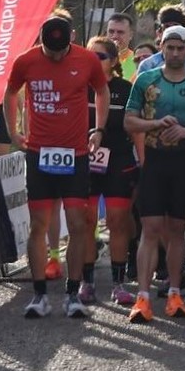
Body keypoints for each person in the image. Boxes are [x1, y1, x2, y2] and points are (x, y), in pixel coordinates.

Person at [5, 15, 109, 319]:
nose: (56, 56)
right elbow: (11, 92)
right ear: (40, 41)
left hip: (75, 154)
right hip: (39, 153)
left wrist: (98, 129)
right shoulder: (25, 61)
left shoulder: (87, 59)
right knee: (39, 224)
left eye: (61, 51)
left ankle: (72, 293)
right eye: (50, 52)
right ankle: (39, 295)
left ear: (71, 38)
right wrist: (13, 131)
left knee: (78, 224)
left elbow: (101, 91)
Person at [124, 25, 185, 323]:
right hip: (154, 161)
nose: (175, 53)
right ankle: (143, 297)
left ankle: (176, 292)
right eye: (170, 48)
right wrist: (155, 125)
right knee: (150, 228)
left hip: (184, 163)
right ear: (162, 48)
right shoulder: (146, 79)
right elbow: (129, 121)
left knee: (177, 229)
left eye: (181, 48)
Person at [78, 37, 139, 307]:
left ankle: (118, 283)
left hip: (118, 161)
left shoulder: (125, 89)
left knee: (117, 222)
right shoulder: (79, 86)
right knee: (87, 222)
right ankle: (87, 282)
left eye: (100, 57)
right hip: (85, 161)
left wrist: (143, 162)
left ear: (114, 61)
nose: (94, 61)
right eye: (90, 56)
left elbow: (135, 127)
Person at [105, 12, 138, 80]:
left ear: (131, 35)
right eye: (111, 31)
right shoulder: (97, 58)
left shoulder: (137, 61)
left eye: (120, 32)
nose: (115, 36)